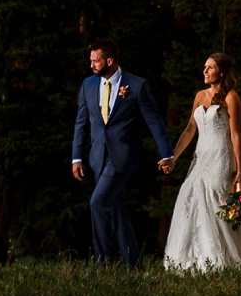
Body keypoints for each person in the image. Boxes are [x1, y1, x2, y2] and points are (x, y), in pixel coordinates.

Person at [161, 52, 241, 274]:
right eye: (204, 67)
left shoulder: (231, 98)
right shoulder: (199, 96)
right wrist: (172, 156)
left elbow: (235, 136)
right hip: (201, 157)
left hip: (221, 158)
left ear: (221, 72)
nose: (204, 71)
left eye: (210, 68)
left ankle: (226, 260)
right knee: (190, 196)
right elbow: (190, 129)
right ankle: (191, 260)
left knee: (215, 203)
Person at [68, 41, 171, 263]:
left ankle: (103, 260)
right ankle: (133, 263)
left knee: (97, 202)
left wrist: (167, 153)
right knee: (117, 210)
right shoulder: (88, 85)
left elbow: (154, 122)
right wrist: (77, 156)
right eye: (91, 60)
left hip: (121, 158)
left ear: (110, 61)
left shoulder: (136, 85)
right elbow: (81, 122)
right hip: (97, 158)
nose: (91, 65)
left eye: (96, 61)